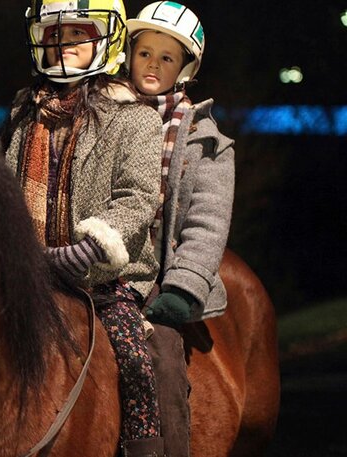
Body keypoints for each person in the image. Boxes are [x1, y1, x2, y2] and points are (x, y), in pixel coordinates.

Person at [0, 1, 166, 455]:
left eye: (77, 33)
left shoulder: (135, 117)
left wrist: (93, 248)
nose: (63, 44)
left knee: (135, 361)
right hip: (29, 274)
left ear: (107, 38)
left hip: (102, 280)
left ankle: (143, 447)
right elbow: (4, 190)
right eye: (55, 34)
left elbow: (137, 197)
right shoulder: (23, 113)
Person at [125, 2, 236, 456]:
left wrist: (183, 287)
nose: (153, 64)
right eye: (145, 53)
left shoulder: (204, 139)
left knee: (164, 359)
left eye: (166, 58)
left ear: (185, 68)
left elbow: (208, 220)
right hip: (100, 262)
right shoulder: (107, 116)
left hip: (157, 273)